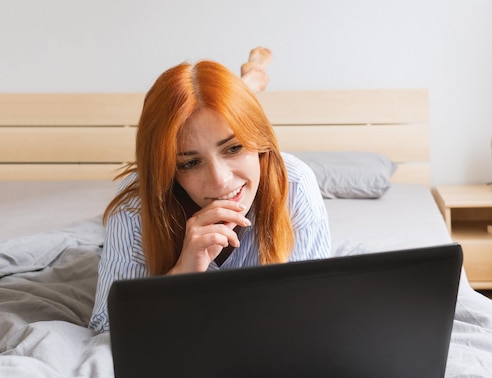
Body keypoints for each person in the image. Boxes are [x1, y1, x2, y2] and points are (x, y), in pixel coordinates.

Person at [89, 49, 331, 333]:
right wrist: (182, 274)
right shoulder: (134, 206)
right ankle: (247, 87)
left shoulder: (296, 183)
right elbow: (106, 327)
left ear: (259, 141)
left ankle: (250, 82)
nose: (221, 182)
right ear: (167, 171)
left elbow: (313, 315)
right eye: (190, 163)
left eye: (234, 147)